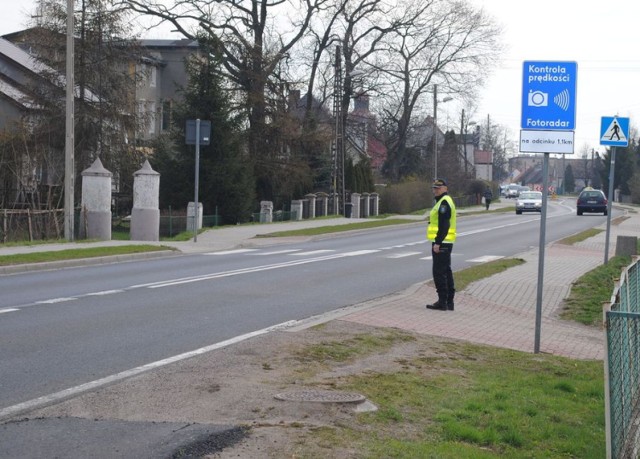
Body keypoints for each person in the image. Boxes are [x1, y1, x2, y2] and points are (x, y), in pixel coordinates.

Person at [426, 178, 456, 311]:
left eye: (438, 188)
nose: (435, 190)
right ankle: (449, 302)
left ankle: (442, 301)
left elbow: (444, 224)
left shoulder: (444, 203)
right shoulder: (443, 201)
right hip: (446, 242)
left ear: (445, 189)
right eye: (434, 188)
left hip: (442, 242)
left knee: (439, 272)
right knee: (446, 271)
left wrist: (438, 242)